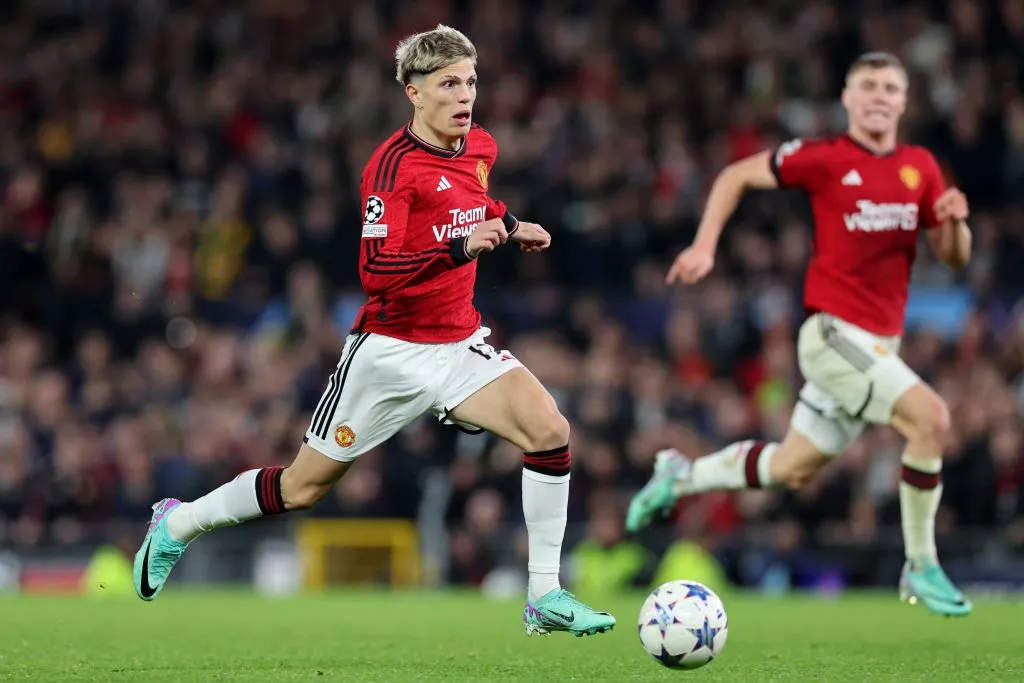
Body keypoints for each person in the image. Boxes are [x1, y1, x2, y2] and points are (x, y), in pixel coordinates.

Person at [133, 24, 615, 637]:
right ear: (414, 92)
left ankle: (543, 595)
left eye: (470, 81)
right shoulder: (390, 168)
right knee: (303, 487)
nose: (464, 95)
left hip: (459, 342)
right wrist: (460, 247)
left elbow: (472, 203)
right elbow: (376, 271)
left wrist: (512, 224)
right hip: (388, 352)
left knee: (549, 429)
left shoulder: (481, 147)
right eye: (448, 84)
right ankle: (178, 524)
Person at [626, 52, 973, 617]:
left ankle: (680, 475)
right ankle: (922, 563)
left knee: (792, 467)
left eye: (891, 87)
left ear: (904, 100)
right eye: (869, 86)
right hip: (832, 335)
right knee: (930, 418)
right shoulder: (824, 158)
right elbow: (737, 174)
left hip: (879, 348)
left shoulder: (922, 168)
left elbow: (955, 258)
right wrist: (705, 245)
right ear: (848, 98)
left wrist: (956, 222)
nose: (880, 95)